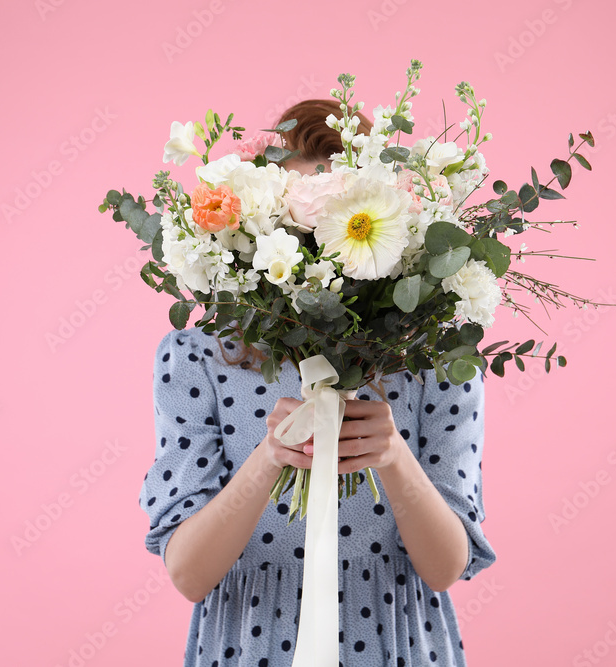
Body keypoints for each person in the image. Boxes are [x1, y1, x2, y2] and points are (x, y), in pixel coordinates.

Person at [138, 98, 498, 666]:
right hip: (249, 642)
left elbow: (446, 566)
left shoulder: (434, 359)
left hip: (396, 642)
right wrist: (269, 458)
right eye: (298, 228)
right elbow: (188, 573)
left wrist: (393, 456)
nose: (319, 254)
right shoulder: (198, 356)